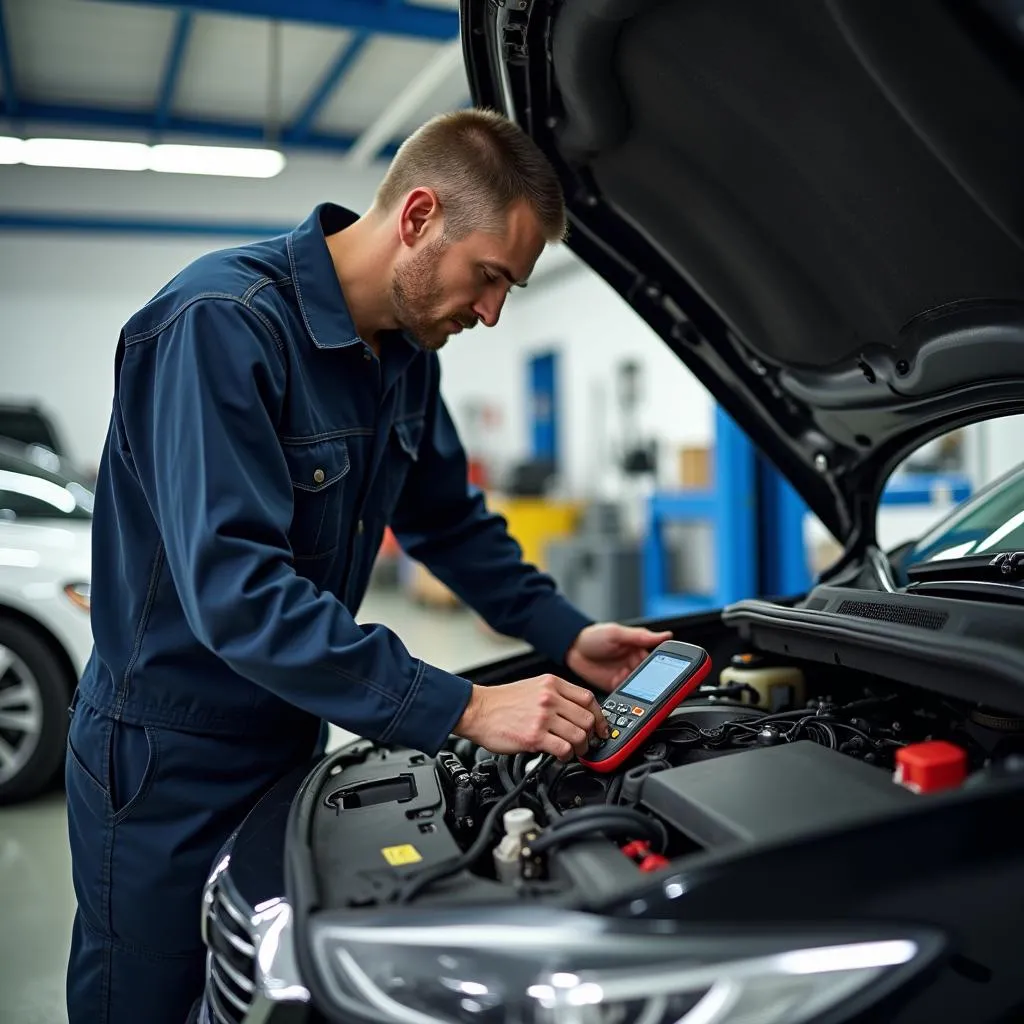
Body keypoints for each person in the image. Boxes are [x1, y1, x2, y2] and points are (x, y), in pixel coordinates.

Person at [64, 107, 671, 1024]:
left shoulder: (404, 357)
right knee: (148, 1002)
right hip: (165, 758)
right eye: (491, 277)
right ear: (420, 216)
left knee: (253, 995)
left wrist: (569, 634)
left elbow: (451, 525)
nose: (494, 312)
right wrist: (463, 706)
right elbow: (238, 595)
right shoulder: (219, 325)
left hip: (290, 733)